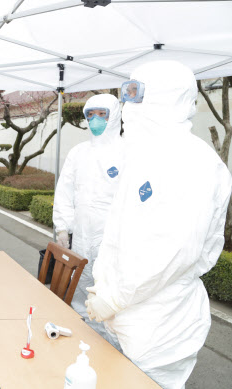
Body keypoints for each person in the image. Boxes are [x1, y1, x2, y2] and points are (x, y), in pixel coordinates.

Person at [85, 61, 232, 389]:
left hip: (161, 327)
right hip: (130, 318)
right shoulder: (147, 156)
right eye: (127, 92)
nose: (127, 104)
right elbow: (125, 233)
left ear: (165, 98)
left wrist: (116, 297)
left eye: (136, 93)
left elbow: (173, 251)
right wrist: (106, 283)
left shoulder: (193, 162)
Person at [52, 94, 123, 348]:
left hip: (112, 237)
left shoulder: (127, 152)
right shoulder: (78, 152)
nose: (95, 120)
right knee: (79, 283)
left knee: (108, 289)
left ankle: (109, 342)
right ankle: (80, 337)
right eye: (90, 114)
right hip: (81, 234)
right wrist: (62, 226)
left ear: (113, 114)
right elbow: (65, 191)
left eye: (101, 114)